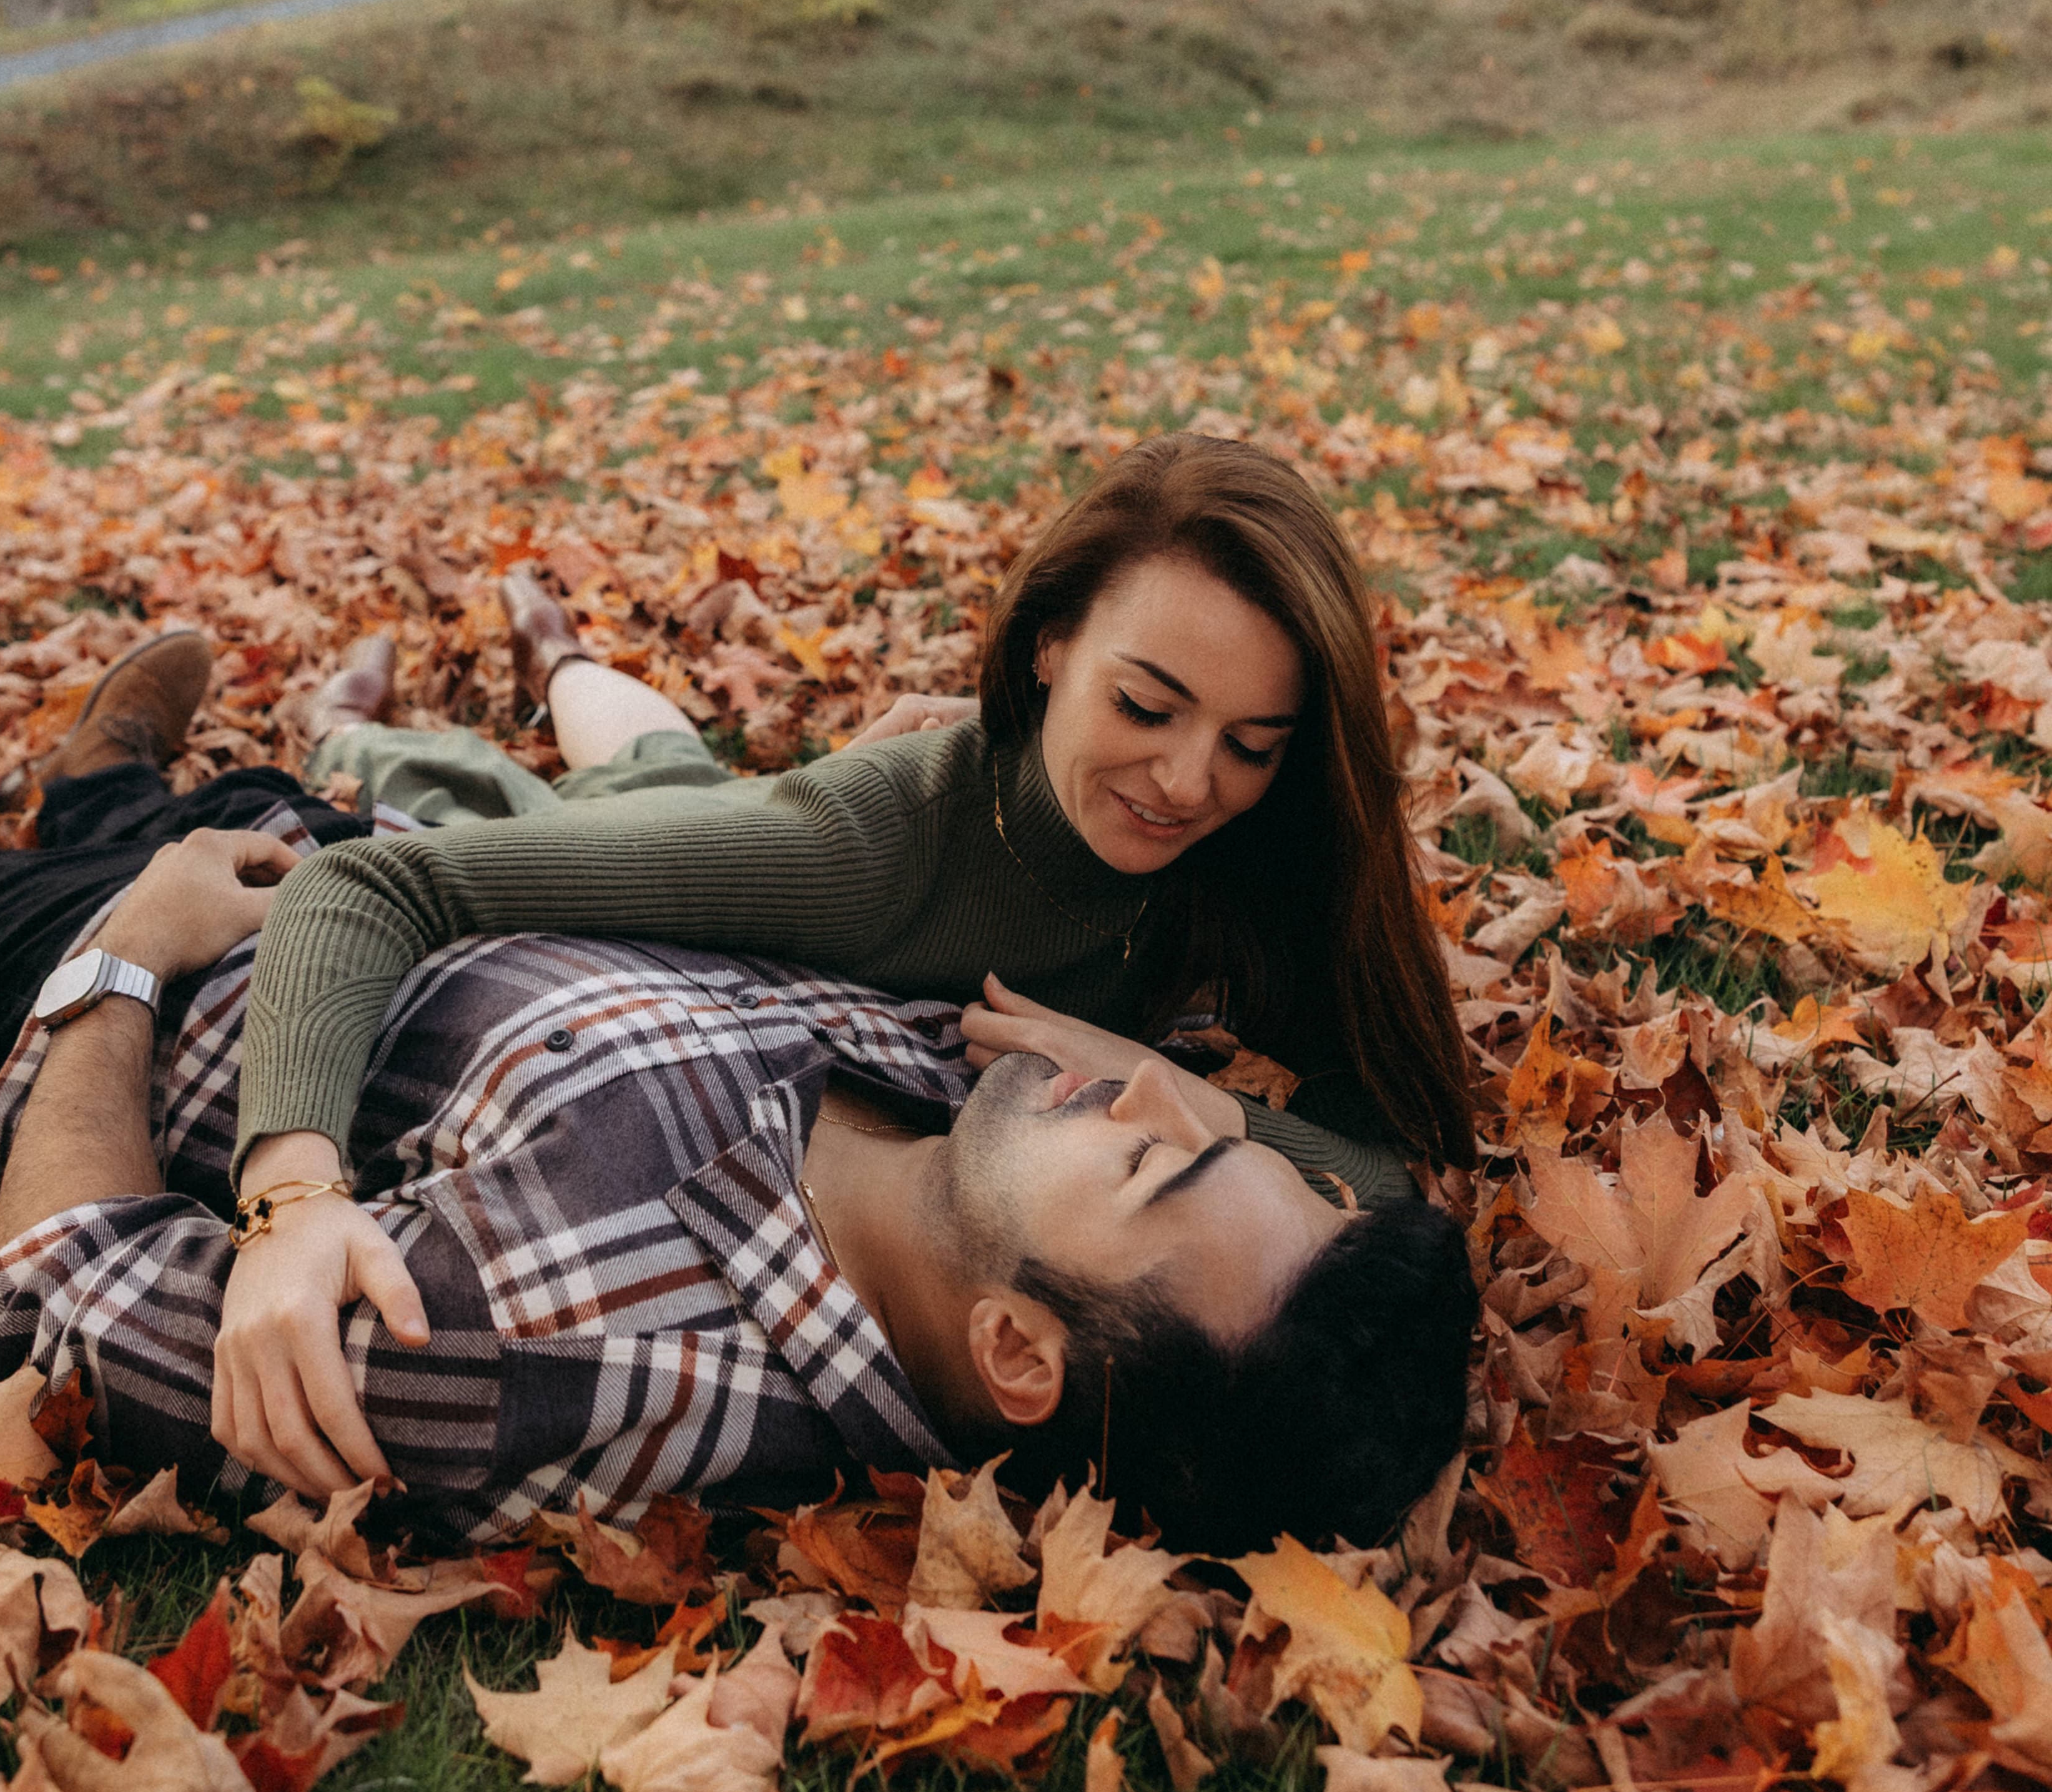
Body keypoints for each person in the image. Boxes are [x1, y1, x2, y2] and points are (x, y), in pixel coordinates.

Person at [223, 433, 1476, 1497]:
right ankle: (349, 726)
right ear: (1048, 647)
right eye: (1145, 708)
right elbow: (378, 883)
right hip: (689, 925)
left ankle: (558, 653)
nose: (1191, 781)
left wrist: (1178, 1087)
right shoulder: (864, 849)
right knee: (514, 803)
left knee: (664, 762)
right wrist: (291, 1192)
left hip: (743, 839)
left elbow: (1386, 1170)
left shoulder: (1248, 845)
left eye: (1252, 741)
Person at [0, 808, 1477, 1553]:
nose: (1142, 1085)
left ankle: (88, 833)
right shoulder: (974, 1146)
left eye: (1154, 1150)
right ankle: (115, 780)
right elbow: (1389, 1148)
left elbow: (51, 1297)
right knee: (161, 798)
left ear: (1022, 1351)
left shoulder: (544, 1338)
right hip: (344, 849)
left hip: (109, 971)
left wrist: (129, 952)